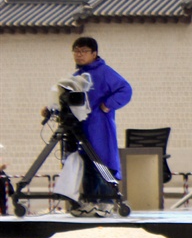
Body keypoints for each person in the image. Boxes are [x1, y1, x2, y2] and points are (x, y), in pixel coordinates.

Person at [45, 38, 132, 214]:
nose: (79, 54)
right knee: (86, 164)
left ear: (94, 53)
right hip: (80, 127)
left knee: (101, 162)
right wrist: (52, 108)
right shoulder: (77, 76)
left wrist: (108, 104)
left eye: (83, 51)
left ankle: (106, 202)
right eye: (76, 51)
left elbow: (126, 89)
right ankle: (89, 202)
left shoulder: (105, 72)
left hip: (99, 126)